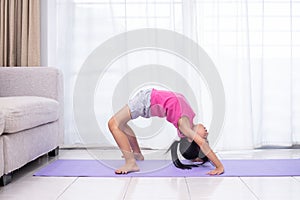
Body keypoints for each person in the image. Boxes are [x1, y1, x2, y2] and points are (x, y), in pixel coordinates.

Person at [108, 88, 224, 175]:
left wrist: (219, 166)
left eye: (204, 137)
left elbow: (202, 145)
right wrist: (195, 157)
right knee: (121, 124)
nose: (206, 133)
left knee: (113, 124)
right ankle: (137, 154)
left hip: (145, 102)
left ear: (191, 139)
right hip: (146, 97)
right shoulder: (189, 118)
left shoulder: (184, 127)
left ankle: (130, 162)